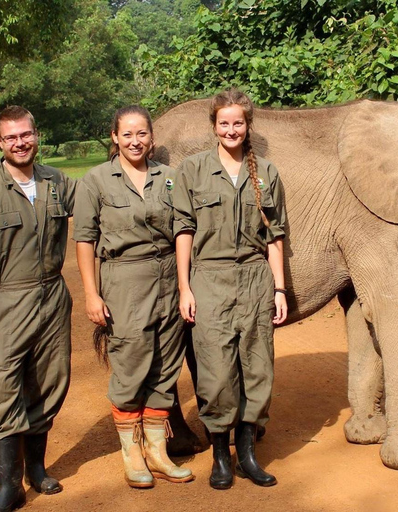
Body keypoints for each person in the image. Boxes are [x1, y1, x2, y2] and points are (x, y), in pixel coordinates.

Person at [0, 106, 74, 512]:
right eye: (10, 138)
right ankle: (10, 486)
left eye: (25, 135)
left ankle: (36, 470)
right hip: (6, 298)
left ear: (36, 135)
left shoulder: (56, 180)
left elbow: (97, 202)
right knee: (3, 388)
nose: (20, 143)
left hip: (53, 296)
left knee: (49, 381)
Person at [172, 88, 288, 490]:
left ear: (248, 125)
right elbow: (184, 230)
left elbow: (275, 236)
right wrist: (185, 287)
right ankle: (221, 456)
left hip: (256, 279)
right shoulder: (193, 171)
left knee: (258, 369)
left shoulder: (267, 173)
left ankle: (248, 455)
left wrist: (279, 289)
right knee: (216, 373)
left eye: (238, 122)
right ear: (214, 126)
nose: (231, 129)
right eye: (224, 123)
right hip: (210, 280)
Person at [73, 105, 192, 489]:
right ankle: (132, 454)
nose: (135, 141)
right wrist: (92, 293)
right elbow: (85, 240)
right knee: (130, 361)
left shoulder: (170, 179)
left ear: (152, 138)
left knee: (166, 362)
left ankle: (158, 453)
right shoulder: (95, 181)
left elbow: (182, 231)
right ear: (114, 137)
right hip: (124, 278)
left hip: (168, 274)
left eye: (141, 134)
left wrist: (184, 285)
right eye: (127, 134)